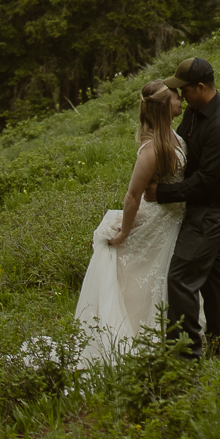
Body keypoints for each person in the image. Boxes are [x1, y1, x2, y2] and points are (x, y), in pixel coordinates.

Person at [74, 81, 186, 365]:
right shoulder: (151, 150)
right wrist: (125, 230)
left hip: (173, 218)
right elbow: (133, 194)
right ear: (164, 108)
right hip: (158, 221)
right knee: (141, 282)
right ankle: (136, 337)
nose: (181, 100)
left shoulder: (174, 134)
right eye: (176, 97)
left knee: (162, 278)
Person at [150, 55, 220, 357]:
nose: (180, 97)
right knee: (215, 279)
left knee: (181, 276)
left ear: (200, 87)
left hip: (212, 212)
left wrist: (162, 192)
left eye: (184, 90)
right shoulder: (196, 110)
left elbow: (205, 180)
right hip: (201, 208)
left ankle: (186, 353)